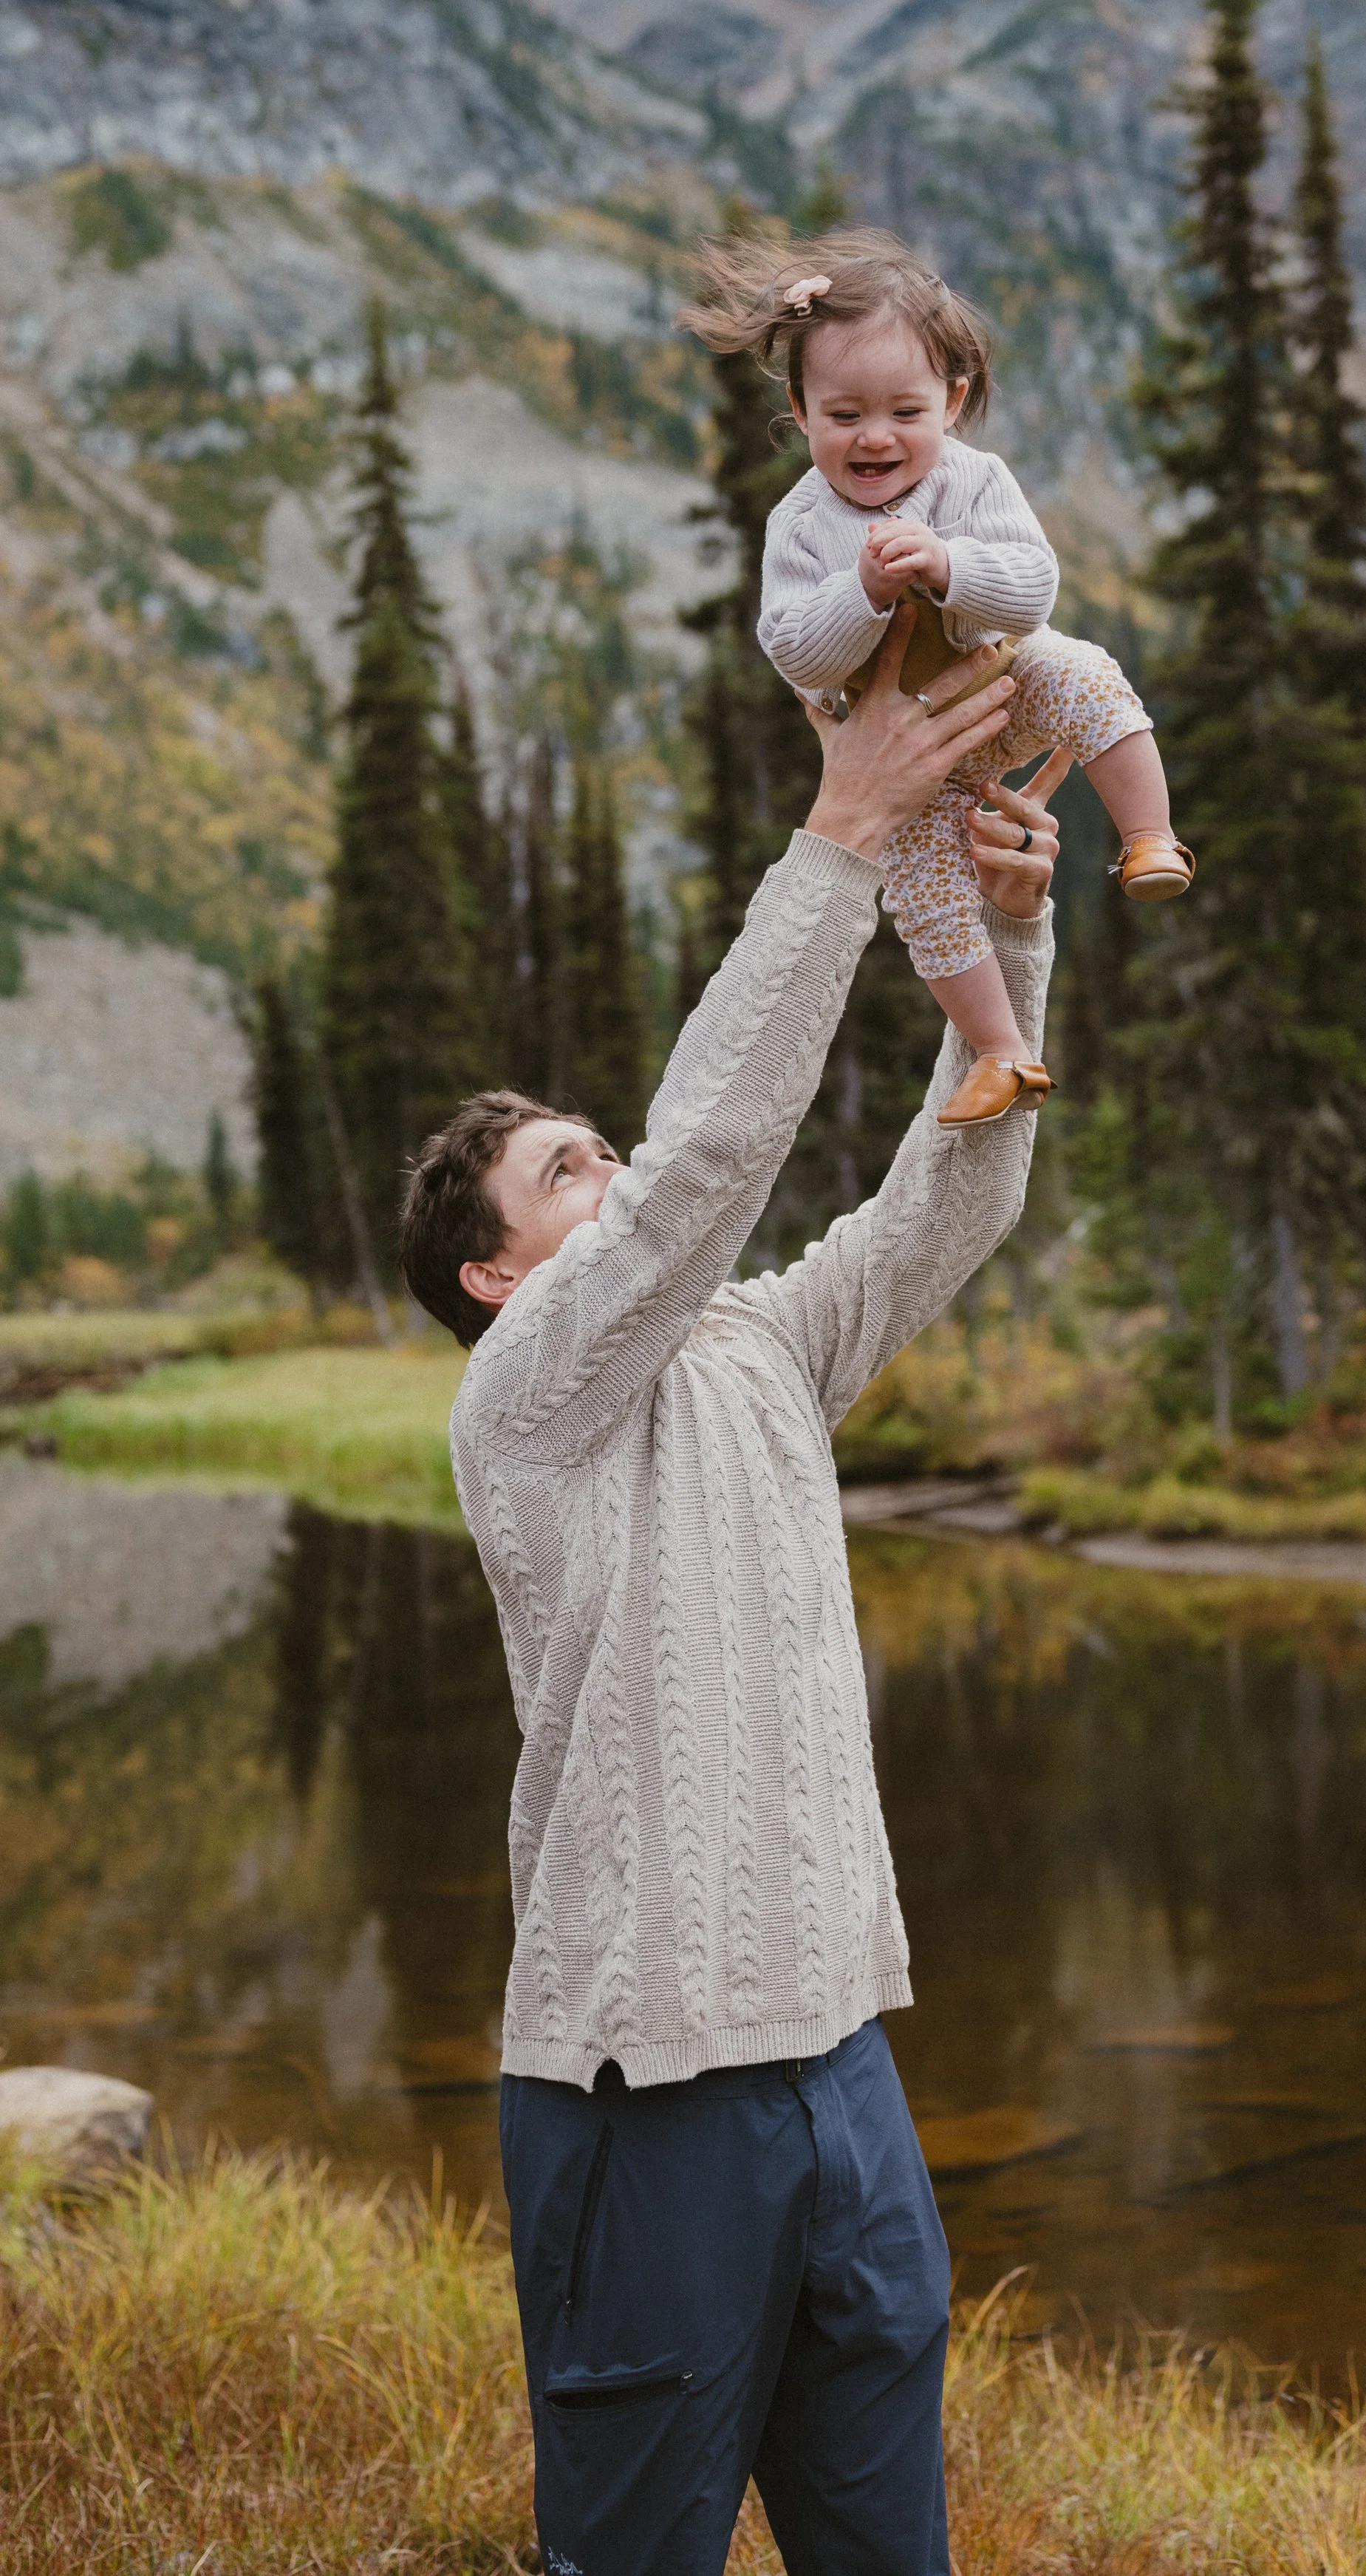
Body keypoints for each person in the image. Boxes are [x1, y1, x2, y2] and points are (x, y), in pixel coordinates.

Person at [397, 614, 1068, 2576]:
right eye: (565, 1173)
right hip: (639, 2091)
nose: (613, 1174)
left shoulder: (762, 1345)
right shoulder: (523, 1398)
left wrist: (1006, 940)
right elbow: (703, 1165)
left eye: (599, 1146)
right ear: (496, 1279)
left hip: (839, 2057)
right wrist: (843, 836)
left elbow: (953, 1198)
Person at [679, 225, 1194, 1131]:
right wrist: (864, 592)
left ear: (951, 401)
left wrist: (950, 564)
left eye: (904, 413)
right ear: (801, 410)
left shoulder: (974, 480)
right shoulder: (799, 526)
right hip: (902, 750)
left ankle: (1149, 837)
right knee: (922, 890)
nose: (875, 437)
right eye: (845, 416)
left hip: (1003, 681)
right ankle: (1002, 1053)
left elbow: (1033, 589)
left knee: (1083, 671)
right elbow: (795, 652)